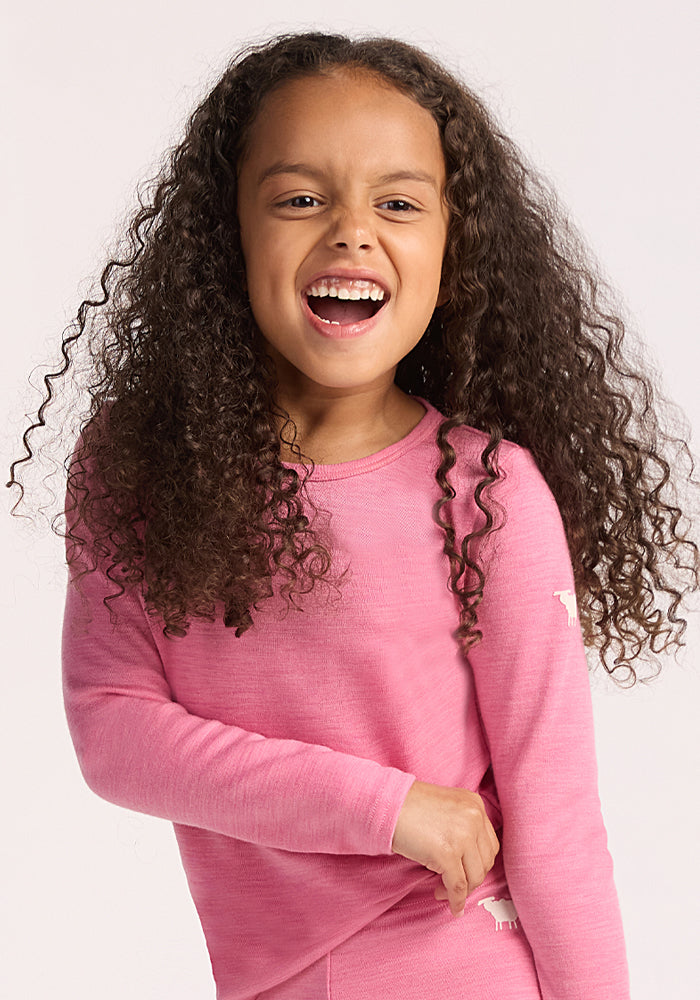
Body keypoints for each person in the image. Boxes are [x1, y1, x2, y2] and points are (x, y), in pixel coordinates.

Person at [7, 30, 699, 1000]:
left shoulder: (487, 497)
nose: (351, 232)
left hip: (463, 963)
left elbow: (557, 828)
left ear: (454, 247)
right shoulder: (142, 464)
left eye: (399, 203)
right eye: (300, 198)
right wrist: (388, 807)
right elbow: (115, 732)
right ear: (227, 232)